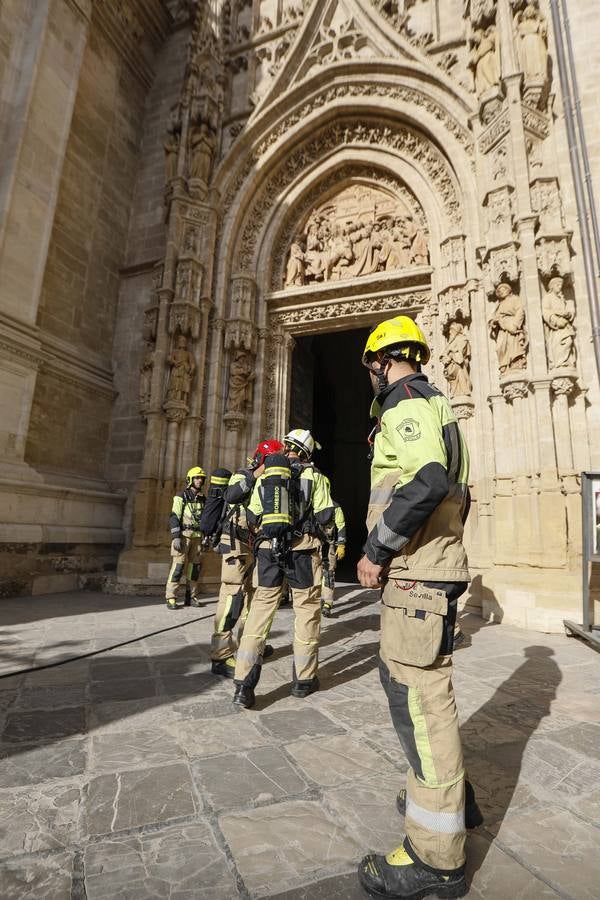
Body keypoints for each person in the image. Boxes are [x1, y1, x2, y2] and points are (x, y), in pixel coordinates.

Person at [356, 315, 481, 899]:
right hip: (434, 566)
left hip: (415, 572)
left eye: (371, 368)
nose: (372, 379)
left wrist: (379, 547)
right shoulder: (437, 405)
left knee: (419, 699)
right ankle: (453, 803)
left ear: (385, 360)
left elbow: (428, 479)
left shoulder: (405, 403)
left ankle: (435, 854)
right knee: (426, 691)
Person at [232, 429, 334, 708]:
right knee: (306, 613)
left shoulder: (267, 476)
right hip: (302, 553)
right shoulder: (315, 477)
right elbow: (326, 515)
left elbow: (251, 516)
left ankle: (243, 685)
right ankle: (303, 680)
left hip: (267, 552)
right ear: (307, 453)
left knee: (259, 613)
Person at [210, 440, 284, 677]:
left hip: (254, 546)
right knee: (231, 597)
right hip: (235, 545)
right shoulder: (242, 475)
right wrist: (256, 474)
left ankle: (248, 645)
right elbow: (232, 496)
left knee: (255, 595)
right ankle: (220, 655)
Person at [165, 466, 206, 610]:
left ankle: (192, 596)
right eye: (196, 478)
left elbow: (205, 519)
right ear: (190, 480)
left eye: (201, 478)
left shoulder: (202, 498)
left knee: (194, 569)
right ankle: (171, 597)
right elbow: (174, 516)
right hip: (183, 537)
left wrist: (206, 536)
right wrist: (176, 536)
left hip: (197, 537)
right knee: (178, 567)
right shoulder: (181, 496)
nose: (199, 480)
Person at [321, 478, 347, 618]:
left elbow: (341, 525)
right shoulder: (309, 505)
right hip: (313, 546)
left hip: (329, 546)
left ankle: (327, 603)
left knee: (328, 574)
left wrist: (341, 544)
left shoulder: (334, 506)